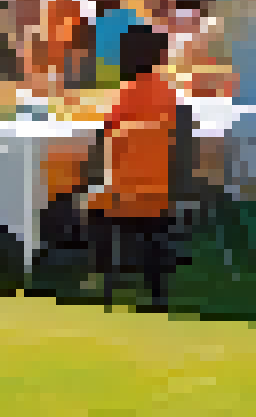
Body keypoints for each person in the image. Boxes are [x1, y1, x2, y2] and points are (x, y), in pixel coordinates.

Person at [86, 23, 180, 309]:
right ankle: (156, 289)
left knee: (84, 196)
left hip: (123, 194)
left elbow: (103, 140)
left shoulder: (125, 95)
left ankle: (100, 273)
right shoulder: (169, 94)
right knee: (149, 224)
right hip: (163, 192)